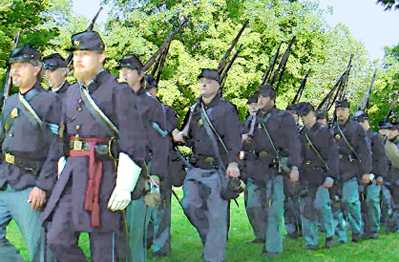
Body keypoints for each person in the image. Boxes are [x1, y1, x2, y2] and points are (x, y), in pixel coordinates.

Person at [42, 30, 146, 262]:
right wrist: (61, 170)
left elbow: (134, 141)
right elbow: (63, 140)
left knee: (104, 249)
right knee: (57, 238)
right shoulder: (70, 93)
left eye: (86, 53)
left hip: (105, 175)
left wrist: (124, 186)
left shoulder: (119, 91)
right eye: (76, 53)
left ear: (101, 57)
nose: (78, 59)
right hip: (72, 175)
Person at [172, 68, 241, 262]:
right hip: (195, 168)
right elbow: (186, 135)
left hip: (217, 170)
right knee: (189, 205)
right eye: (201, 80)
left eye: (208, 81)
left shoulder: (227, 109)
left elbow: (235, 139)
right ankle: (211, 240)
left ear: (218, 86)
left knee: (217, 217)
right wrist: (176, 136)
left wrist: (233, 163)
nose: (203, 84)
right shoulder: (194, 109)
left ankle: (213, 257)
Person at [0, 45, 60, 262]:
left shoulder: (50, 101)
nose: (14, 71)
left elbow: (56, 148)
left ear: (36, 69)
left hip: (31, 185)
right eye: (12, 67)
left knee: (40, 249)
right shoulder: (11, 102)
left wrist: (43, 186)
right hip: (5, 180)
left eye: (21, 66)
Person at [118, 55, 169, 262]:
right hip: (113, 169)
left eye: (128, 70)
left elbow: (161, 143)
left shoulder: (151, 105)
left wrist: (155, 174)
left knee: (135, 232)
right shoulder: (111, 100)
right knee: (114, 231)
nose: (122, 74)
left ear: (140, 75)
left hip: (141, 171)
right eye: (121, 70)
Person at [241, 84, 302, 256]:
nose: (260, 100)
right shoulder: (251, 119)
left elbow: (294, 143)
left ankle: (273, 247)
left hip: (275, 167)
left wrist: (295, 166)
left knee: (275, 209)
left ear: (273, 99)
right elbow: (244, 144)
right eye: (259, 96)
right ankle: (263, 236)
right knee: (253, 206)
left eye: (264, 97)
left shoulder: (284, 118)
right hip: (255, 167)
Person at [296, 102, 339, 249]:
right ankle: (311, 241)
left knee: (322, 207)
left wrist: (331, 175)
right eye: (302, 115)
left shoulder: (324, 132)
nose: (304, 118)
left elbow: (333, 156)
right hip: (306, 177)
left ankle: (330, 234)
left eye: (306, 115)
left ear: (312, 114)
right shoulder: (300, 134)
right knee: (306, 210)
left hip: (321, 175)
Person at [331, 99, 372, 242]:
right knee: (335, 204)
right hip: (335, 171)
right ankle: (340, 235)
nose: (340, 113)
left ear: (348, 111)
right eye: (338, 110)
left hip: (350, 169)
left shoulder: (356, 128)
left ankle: (357, 231)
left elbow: (365, 152)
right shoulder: (332, 128)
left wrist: (366, 171)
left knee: (351, 202)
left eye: (343, 110)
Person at [353, 111, 387, 239]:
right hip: (359, 175)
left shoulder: (375, 137)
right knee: (359, 204)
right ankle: (361, 229)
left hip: (374, 175)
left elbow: (381, 158)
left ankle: (373, 230)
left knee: (372, 200)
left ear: (365, 121)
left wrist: (380, 175)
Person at [240, 94, 267, 244]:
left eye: (254, 104)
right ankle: (260, 234)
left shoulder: (264, 122)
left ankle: (265, 234)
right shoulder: (247, 122)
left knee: (257, 204)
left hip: (261, 168)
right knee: (250, 205)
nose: (252, 107)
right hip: (248, 167)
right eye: (250, 105)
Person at [379, 120, 399, 232]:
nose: (390, 132)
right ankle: (390, 225)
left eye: (393, 130)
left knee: (395, 204)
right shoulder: (383, 143)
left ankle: (394, 226)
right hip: (386, 178)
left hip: (396, 178)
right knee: (388, 202)